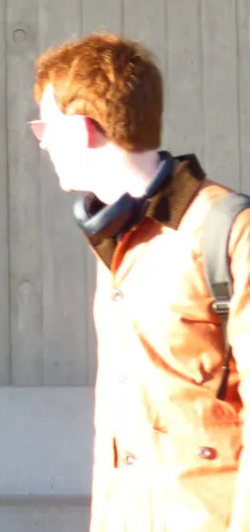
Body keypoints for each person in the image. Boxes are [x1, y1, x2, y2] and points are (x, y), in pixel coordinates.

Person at [32, 33, 250, 532]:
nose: (42, 142)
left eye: (46, 127)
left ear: (83, 129)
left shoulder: (225, 229)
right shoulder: (118, 243)